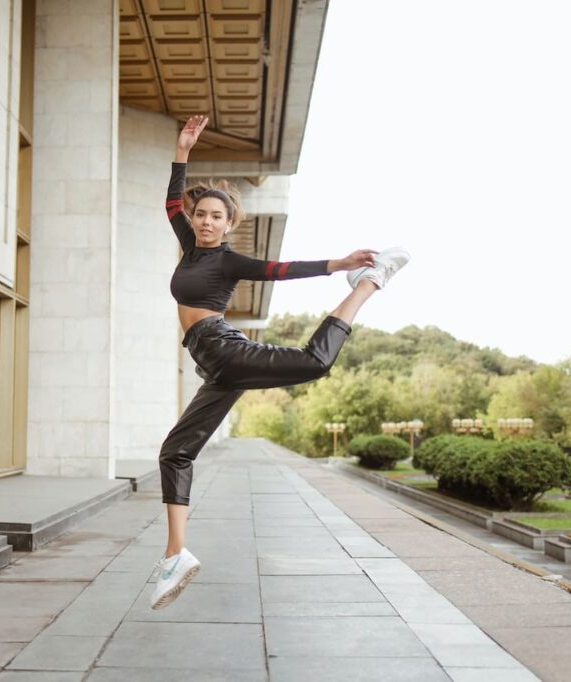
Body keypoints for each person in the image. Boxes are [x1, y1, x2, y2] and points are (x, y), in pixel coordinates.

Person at [150, 115, 410, 609]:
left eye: (215, 217)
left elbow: (278, 270)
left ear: (229, 225)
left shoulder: (227, 260)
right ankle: (175, 553)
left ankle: (370, 283)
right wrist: (182, 151)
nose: (206, 221)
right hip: (213, 365)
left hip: (223, 347)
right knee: (175, 452)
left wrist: (339, 264)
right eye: (200, 214)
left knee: (315, 363)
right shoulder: (188, 248)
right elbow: (170, 202)